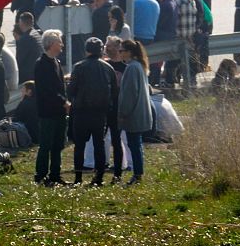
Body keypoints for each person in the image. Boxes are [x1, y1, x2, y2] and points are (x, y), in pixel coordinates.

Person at [67, 36, 118, 186]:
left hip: (81, 113)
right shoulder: (108, 68)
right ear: (101, 50)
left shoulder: (79, 67)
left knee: (79, 146)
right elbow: (114, 92)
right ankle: (99, 177)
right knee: (99, 145)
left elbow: (71, 90)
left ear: (86, 50)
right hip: (100, 113)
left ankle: (78, 178)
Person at [116, 39, 154, 187]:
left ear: (129, 52)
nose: (119, 53)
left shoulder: (132, 68)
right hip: (140, 112)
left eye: (121, 51)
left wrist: (123, 112)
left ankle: (138, 174)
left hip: (134, 114)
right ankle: (139, 173)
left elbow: (129, 94)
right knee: (135, 144)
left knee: (134, 145)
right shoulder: (139, 66)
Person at [32, 29, 67, 186]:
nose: (62, 45)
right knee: (46, 144)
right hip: (48, 111)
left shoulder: (57, 63)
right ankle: (40, 175)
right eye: (59, 42)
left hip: (59, 111)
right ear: (52, 44)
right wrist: (63, 101)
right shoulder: (41, 64)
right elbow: (47, 90)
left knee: (58, 144)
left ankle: (55, 174)